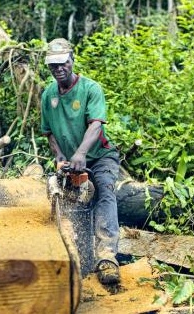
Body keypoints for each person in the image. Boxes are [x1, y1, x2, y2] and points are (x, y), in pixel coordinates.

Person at [40, 38, 121, 285]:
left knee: (104, 191)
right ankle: (70, 254)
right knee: (65, 197)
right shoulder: (47, 95)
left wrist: (81, 153)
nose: (59, 69)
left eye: (63, 63)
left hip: (99, 156)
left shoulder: (90, 89)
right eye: (53, 66)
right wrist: (59, 155)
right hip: (71, 160)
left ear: (72, 60)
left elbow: (96, 124)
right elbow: (48, 131)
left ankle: (107, 257)